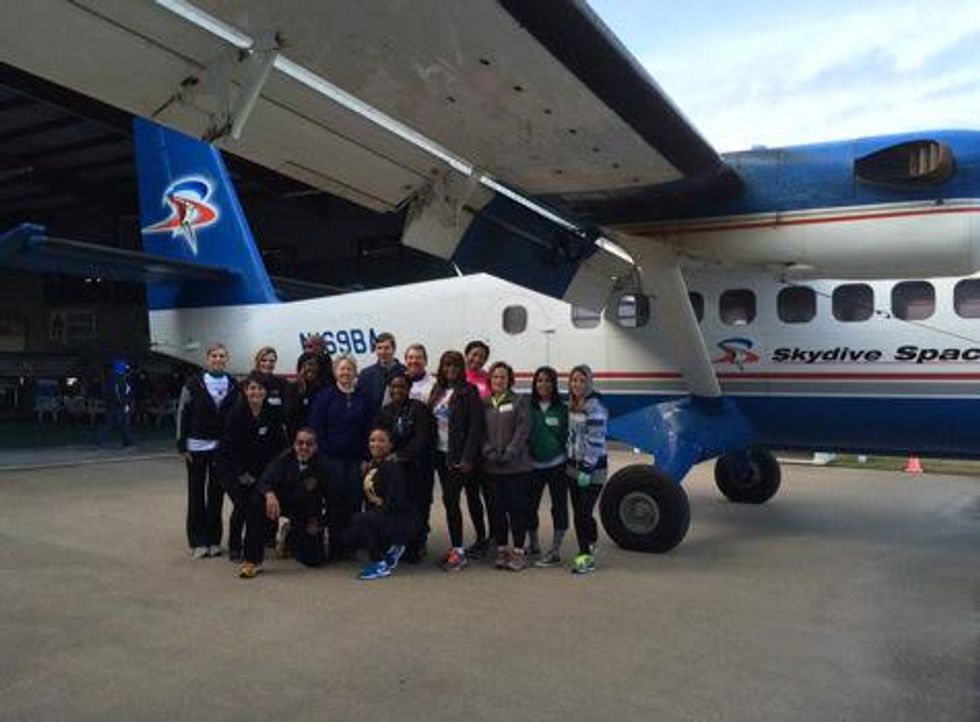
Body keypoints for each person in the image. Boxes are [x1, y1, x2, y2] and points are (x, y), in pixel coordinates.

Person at [176, 343, 240, 559]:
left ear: (227, 359)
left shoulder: (233, 383)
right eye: (214, 356)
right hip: (196, 447)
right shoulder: (193, 383)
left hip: (220, 448)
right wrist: (181, 444)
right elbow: (182, 412)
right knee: (196, 494)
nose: (218, 359)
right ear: (207, 359)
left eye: (222, 356)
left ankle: (213, 540)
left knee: (216, 495)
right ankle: (197, 541)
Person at [240, 427, 332, 577]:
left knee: (314, 560)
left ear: (316, 446)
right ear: (294, 444)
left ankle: (289, 535)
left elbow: (333, 501)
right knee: (257, 501)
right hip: (282, 505)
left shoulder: (324, 466)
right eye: (300, 443)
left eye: (309, 444)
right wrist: (269, 494)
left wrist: (320, 522)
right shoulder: (284, 458)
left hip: (307, 511)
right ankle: (252, 560)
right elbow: (264, 480)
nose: (304, 447)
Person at [218, 372, 287, 563]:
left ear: (265, 392)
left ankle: (264, 540)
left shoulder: (272, 412)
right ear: (245, 391)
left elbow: (278, 444)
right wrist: (242, 474)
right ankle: (234, 547)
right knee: (242, 504)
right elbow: (231, 449)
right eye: (252, 388)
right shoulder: (236, 414)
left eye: (260, 389)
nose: (256, 392)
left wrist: (274, 471)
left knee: (260, 502)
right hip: (231, 467)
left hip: (259, 466)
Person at [309, 354, 371, 561]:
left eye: (349, 369)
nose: (345, 373)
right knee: (336, 502)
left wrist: (365, 457)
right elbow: (316, 428)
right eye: (341, 369)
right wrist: (323, 454)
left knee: (354, 502)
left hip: (356, 459)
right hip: (331, 459)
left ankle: (351, 545)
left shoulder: (363, 397)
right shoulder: (325, 396)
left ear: (355, 372)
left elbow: (368, 429)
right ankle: (335, 546)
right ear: (335, 372)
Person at [428, 350, 484, 571]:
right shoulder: (438, 389)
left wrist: (468, 457)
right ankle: (456, 547)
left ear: (461, 369)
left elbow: (475, 427)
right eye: (446, 365)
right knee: (449, 502)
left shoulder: (468, 391)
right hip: (440, 454)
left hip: (458, 457)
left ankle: (459, 551)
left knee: (453, 501)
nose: (450, 370)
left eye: (454, 366)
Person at [374, 372, 434, 562]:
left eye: (401, 387)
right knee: (399, 507)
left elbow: (422, 439)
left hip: (417, 468)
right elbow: (380, 438)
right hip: (394, 471)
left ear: (409, 389)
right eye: (393, 386)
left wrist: (400, 455)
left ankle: (418, 545)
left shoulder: (420, 409)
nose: (397, 390)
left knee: (418, 507)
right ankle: (398, 542)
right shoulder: (385, 411)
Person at [346, 426, 418, 580]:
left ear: (390, 445)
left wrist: (370, 518)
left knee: (361, 521)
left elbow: (395, 501)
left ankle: (380, 564)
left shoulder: (393, 467)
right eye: (372, 440)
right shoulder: (372, 465)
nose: (376, 444)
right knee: (350, 532)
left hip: (399, 519)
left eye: (381, 441)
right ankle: (392, 547)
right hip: (384, 516)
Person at [482, 361, 533, 571]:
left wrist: (511, 451)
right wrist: (489, 451)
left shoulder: (519, 401)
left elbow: (523, 429)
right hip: (491, 468)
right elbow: (479, 432)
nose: (499, 380)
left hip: (516, 467)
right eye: (495, 377)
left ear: (509, 380)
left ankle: (519, 552)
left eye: (503, 377)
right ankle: (502, 550)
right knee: (496, 511)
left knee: (517, 511)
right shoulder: (484, 403)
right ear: (490, 380)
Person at [565, 364, 608, 575]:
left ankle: (587, 553)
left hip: (592, 470)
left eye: (582, 380)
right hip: (572, 467)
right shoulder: (572, 405)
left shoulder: (595, 407)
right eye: (574, 380)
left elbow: (596, 440)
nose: (577, 384)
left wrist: (588, 468)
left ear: (589, 383)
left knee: (583, 512)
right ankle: (586, 547)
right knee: (578, 513)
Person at [527, 366, 569, 567]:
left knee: (559, 507)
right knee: (529, 507)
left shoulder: (562, 409)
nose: (543, 384)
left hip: (557, 465)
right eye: (540, 381)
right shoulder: (528, 406)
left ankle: (555, 550)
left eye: (548, 381)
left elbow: (569, 435)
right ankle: (533, 545)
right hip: (533, 466)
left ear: (554, 384)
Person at [357, 332, 405, 416]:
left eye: (387, 348)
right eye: (379, 348)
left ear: (393, 349)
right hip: (375, 424)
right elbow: (361, 403)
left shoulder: (404, 372)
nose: (383, 352)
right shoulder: (365, 375)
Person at [283, 351, 322, 442]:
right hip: (295, 437)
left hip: (315, 437)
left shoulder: (320, 389)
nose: (310, 368)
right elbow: (289, 414)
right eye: (306, 365)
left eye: (313, 365)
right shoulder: (292, 387)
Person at [97, 358, 133, 447]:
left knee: (110, 423)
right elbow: (120, 393)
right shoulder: (119, 378)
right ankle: (127, 441)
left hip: (112, 404)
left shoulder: (112, 377)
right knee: (122, 423)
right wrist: (124, 403)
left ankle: (126, 440)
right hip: (118, 405)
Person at [253, 346, 288, 422]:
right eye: (263, 360)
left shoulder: (281, 384)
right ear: (257, 362)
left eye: (271, 361)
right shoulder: (247, 384)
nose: (267, 363)